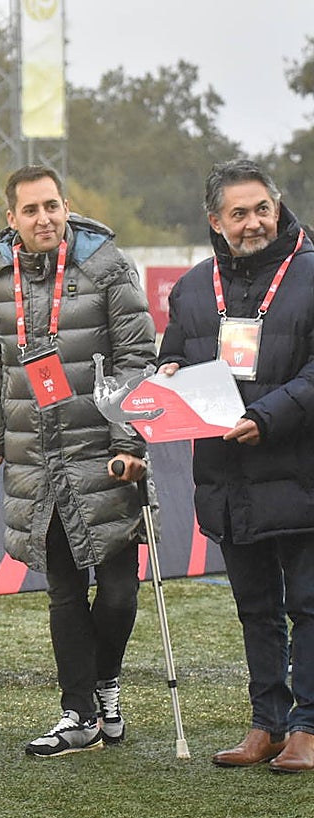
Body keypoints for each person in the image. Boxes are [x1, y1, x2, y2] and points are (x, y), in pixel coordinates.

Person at [0, 165, 155, 757]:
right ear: (12, 218)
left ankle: (103, 689)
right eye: (31, 210)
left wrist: (128, 444)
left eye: (52, 206)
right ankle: (78, 714)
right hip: (34, 460)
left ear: (67, 206)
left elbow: (136, 358)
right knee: (66, 595)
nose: (44, 218)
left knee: (120, 595)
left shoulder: (107, 266)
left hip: (102, 456)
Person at [158, 159, 314, 773]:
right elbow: (175, 355)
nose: (254, 223)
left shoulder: (311, 273)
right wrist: (166, 380)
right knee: (254, 607)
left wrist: (270, 416)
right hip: (226, 476)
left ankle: (308, 726)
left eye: (262, 210)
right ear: (215, 221)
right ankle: (267, 724)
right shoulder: (194, 288)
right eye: (239, 213)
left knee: (307, 603)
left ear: (278, 208)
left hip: (299, 468)